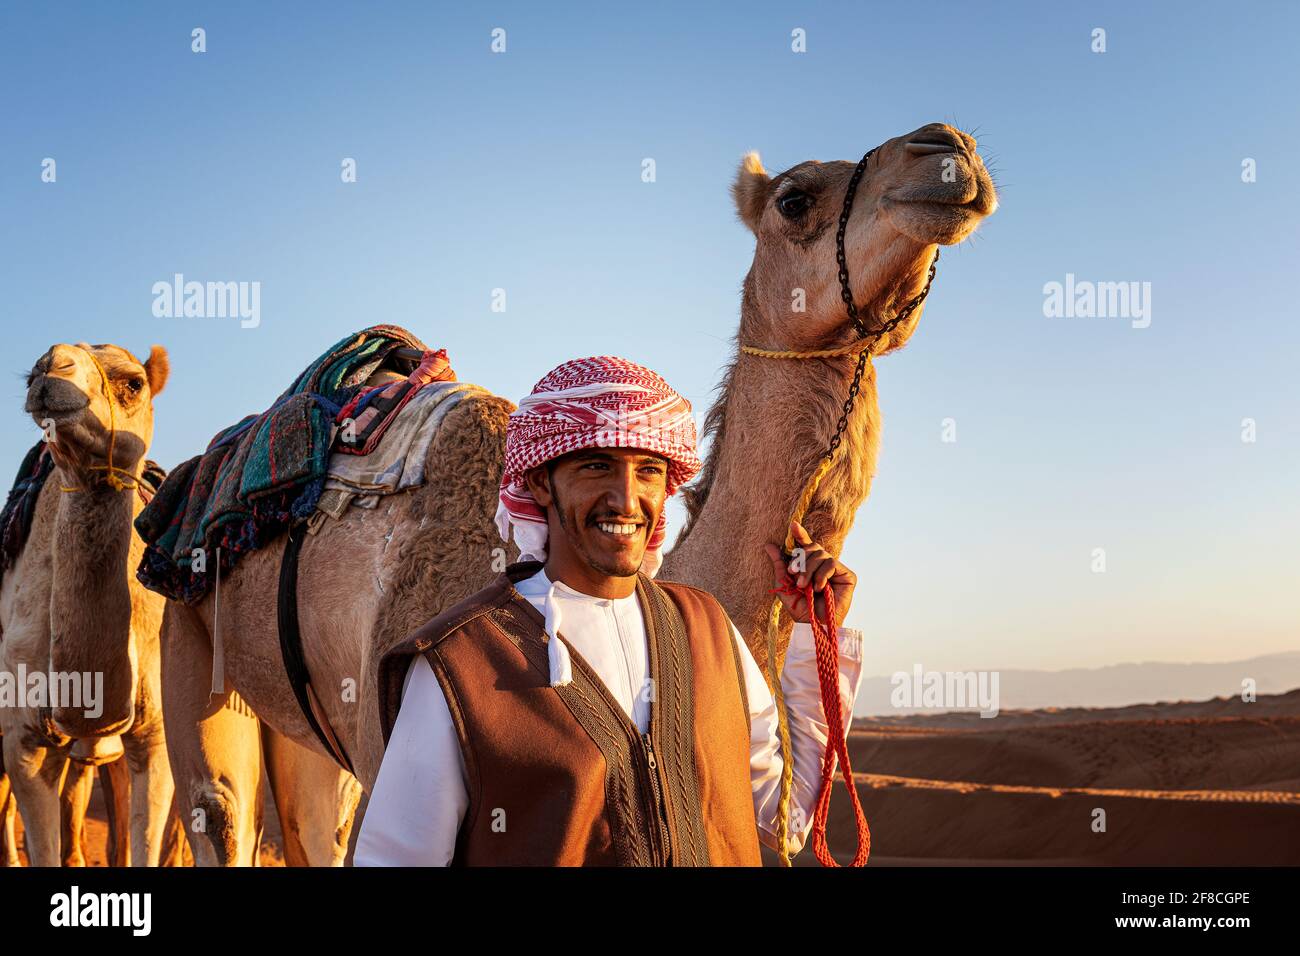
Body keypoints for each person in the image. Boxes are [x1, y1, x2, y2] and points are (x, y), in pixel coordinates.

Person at [354, 356, 864, 865]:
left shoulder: (708, 628)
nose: (626, 498)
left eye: (648, 471)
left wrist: (815, 636)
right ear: (539, 482)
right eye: (596, 466)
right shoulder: (458, 662)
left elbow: (791, 819)